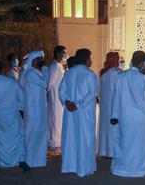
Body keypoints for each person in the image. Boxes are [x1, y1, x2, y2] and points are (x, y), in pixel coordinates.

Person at [110, 51, 145, 177]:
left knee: (125, 142)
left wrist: (114, 116)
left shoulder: (121, 76)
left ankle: (123, 168)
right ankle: (138, 169)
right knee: (140, 144)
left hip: (125, 116)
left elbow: (116, 97)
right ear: (142, 63)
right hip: (142, 117)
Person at [59, 48, 99, 177]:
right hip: (84, 113)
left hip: (70, 112)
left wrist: (67, 102)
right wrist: (77, 104)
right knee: (85, 139)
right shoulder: (90, 74)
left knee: (71, 138)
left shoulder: (68, 73)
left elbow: (61, 91)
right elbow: (91, 94)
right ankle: (84, 167)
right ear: (87, 60)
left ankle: (70, 165)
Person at [23, 51, 48, 168]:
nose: (42, 61)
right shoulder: (30, 73)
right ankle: (30, 160)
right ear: (33, 61)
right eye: (39, 59)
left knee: (40, 133)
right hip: (33, 110)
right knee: (32, 133)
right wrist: (46, 71)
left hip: (40, 109)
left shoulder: (37, 72)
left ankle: (38, 160)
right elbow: (45, 84)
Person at [98, 52, 121, 158]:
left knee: (105, 128)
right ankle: (113, 151)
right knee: (114, 128)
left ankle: (104, 150)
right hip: (115, 106)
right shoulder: (118, 73)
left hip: (104, 107)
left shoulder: (103, 74)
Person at [47, 45, 67, 151]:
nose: (65, 55)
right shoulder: (55, 66)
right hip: (55, 96)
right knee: (55, 118)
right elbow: (50, 83)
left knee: (59, 119)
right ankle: (54, 142)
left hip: (59, 96)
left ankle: (58, 141)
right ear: (58, 54)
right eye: (63, 53)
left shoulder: (60, 65)